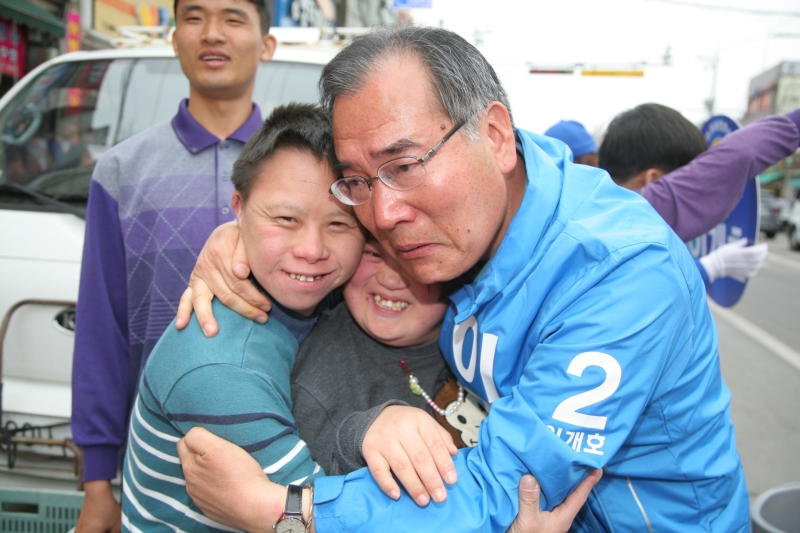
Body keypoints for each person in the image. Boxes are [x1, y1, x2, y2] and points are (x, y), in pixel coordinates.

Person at [175, 26, 749, 531]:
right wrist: (240, 238)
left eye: (404, 166)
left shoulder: (619, 275)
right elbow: (322, 238)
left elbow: (498, 493)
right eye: (360, 181)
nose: (384, 215)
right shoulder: (474, 213)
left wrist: (279, 513)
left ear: (495, 135)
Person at [71, 1, 277, 531]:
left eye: (233, 18)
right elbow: (101, 332)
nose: (213, 33)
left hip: (282, 462)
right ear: (174, 37)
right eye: (194, 17)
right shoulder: (121, 171)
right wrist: (98, 484)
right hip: (156, 473)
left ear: (267, 43)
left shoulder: (300, 169)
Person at [122, 103, 365, 532]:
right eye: (286, 219)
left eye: (339, 224)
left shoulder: (332, 296)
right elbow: (319, 520)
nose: (312, 249)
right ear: (238, 206)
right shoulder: (222, 368)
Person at [599, 103, 772, 286]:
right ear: (652, 181)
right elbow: (645, 287)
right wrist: (709, 267)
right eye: (690, 187)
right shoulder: (623, 239)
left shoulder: (592, 218)